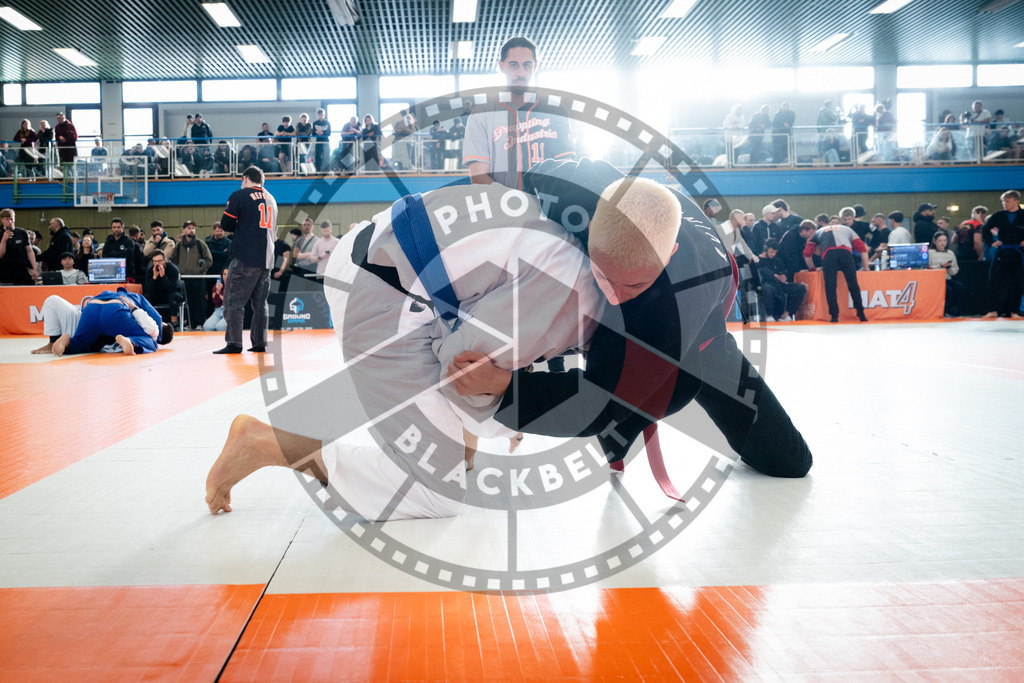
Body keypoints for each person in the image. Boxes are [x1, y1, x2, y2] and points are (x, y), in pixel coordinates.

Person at [205, 180, 602, 518]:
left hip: (385, 263)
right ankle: (261, 443)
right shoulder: (574, 290)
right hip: (380, 293)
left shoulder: (564, 236)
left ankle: (459, 452)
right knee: (437, 492)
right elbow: (460, 371)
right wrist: (508, 412)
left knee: (480, 381)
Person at [449, 158, 812, 482]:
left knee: (788, 460)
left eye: (632, 284)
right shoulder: (570, 186)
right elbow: (505, 181)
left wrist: (503, 387)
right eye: (604, 277)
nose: (615, 295)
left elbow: (600, 403)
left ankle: (629, 426)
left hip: (699, 331)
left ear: (668, 255)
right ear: (587, 226)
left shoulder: (674, 307)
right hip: (644, 280)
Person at [463, 36, 575, 189]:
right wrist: (514, 203)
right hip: (501, 207)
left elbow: (566, 169)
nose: (521, 73)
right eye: (514, 65)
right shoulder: (481, 114)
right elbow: (478, 175)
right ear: (501, 66)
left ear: (535, 66)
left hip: (548, 208)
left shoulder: (555, 111)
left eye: (527, 65)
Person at [214, 166, 278, 354]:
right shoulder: (272, 199)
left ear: (245, 178)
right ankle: (259, 342)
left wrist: (241, 224)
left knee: (233, 301)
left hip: (245, 256)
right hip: (267, 258)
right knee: (260, 303)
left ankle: (234, 342)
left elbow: (225, 224)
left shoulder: (240, 195)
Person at [31, 288, 173, 356]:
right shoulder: (136, 298)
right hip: (116, 311)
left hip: (91, 307)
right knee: (151, 342)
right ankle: (130, 341)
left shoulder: (117, 293)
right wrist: (159, 337)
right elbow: (155, 320)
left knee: (81, 342)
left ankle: (68, 341)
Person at [803, 207, 869, 323]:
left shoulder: (819, 232)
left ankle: (834, 316)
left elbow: (807, 254)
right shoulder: (848, 230)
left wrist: (812, 268)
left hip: (829, 255)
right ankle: (861, 313)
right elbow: (863, 250)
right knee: (853, 284)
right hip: (845, 254)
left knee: (830, 286)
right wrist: (866, 267)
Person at [981, 190, 1024, 319]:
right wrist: (990, 242)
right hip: (1003, 252)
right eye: (1003, 201)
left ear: (1016, 201)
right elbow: (985, 228)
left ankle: (1014, 311)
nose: (1005, 204)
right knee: (994, 281)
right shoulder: (999, 215)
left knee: (1018, 282)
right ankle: (993, 310)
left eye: (1008, 201)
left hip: (1018, 253)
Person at [171, 220, 213, 330]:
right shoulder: (179, 246)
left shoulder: (200, 244)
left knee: (199, 301)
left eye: (193, 228)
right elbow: (174, 260)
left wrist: (200, 269)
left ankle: (199, 323)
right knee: (187, 302)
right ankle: (189, 324)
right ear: (184, 230)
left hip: (198, 278)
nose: (191, 230)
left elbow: (209, 260)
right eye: (189, 228)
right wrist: (179, 270)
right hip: (184, 279)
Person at [757, 239, 807, 321]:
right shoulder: (758, 260)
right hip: (766, 283)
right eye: (771, 252)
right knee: (768, 289)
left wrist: (784, 276)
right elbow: (761, 272)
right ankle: (769, 314)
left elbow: (783, 271)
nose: (773, 254)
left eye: (775, 252)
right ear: (766, 250)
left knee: (800, 288)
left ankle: (787, 313)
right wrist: (773, 276)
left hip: (779, 284)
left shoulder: (777, 260)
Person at [928, 233, 966, 317]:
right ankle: (943, 311)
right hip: (934, 280)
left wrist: (949, 268)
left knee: (960, 287)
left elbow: (955, 270)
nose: (942, 243)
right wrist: (940, 266)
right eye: (940, 241)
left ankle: (954, 311)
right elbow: (927, 268)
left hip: (947, 278)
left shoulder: (950, 253)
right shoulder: (930, 253)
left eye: (944, 240)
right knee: (947, 289)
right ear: (935, 242)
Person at [0, 208, 38, 285]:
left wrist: (34, 268)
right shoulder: (0, 234)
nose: (10, 222)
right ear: (2, 220)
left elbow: (29, 251)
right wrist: (4, 240)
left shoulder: (22, 232)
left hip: (21, 268)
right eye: (7, 219)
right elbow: (0, 255)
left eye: (11, 219)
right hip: (6, 270)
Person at [144, 251, 182, 326]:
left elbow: (172, 288)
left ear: (165, 260)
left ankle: (174, 322)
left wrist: (163, 277)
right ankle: (148, 322)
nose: (157, 264)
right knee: (146, 297)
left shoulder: (173, 269)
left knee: (173, 296)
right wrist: (154, 278)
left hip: (171, 294)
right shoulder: (150, 270)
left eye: (159, 261)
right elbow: (148, 289)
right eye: (155, 261)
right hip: (157, 295)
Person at [102, 217, 145, 283]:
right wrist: (120, 253)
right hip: (112, 274)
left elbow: (126, 256)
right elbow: (104, 255)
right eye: (114, 227)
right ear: (112, 228)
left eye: (118, 227)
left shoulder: (129, 242)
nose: (116, 229)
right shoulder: (109, 241)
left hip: (127, 275)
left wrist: (111, 253)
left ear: (122, 228)